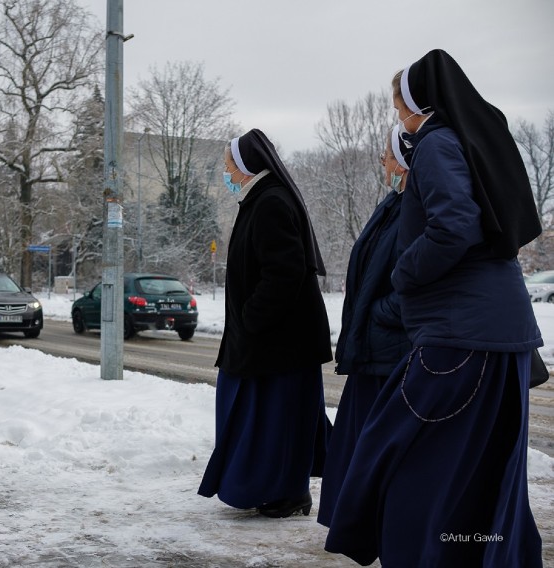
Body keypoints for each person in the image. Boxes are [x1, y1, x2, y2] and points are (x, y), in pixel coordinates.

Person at [325, 49, 543, 567]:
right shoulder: (469, 143)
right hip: (493, 332)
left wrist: (405, 272)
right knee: (479, 462)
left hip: (458, 335)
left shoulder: (436, 143)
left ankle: (422, 555)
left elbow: (455, 225)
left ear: (418, 102)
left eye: (398, 104)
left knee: (406, 455)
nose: (398, 117)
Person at [198, 128, 332, 518]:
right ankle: (277, 489)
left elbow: (285, 271)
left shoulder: (270, 201)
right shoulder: (261, 198)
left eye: (227, 166)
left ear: (244, 166)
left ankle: (287, 493)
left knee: (277, 422)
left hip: (277, 343)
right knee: (277, 420)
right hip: (272, 343)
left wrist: (252, 318)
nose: (225, 173)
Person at [316, 125, 412, 527]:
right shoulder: (393, 202)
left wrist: (379, 314)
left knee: (376, 447)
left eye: (388, 156)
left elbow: (415, 281)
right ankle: (359, 525)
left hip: (390, 352)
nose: (382, 163)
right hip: (371, 351)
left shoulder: (414, 209)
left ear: (404, 163)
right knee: (356, 445)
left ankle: (374, 525)